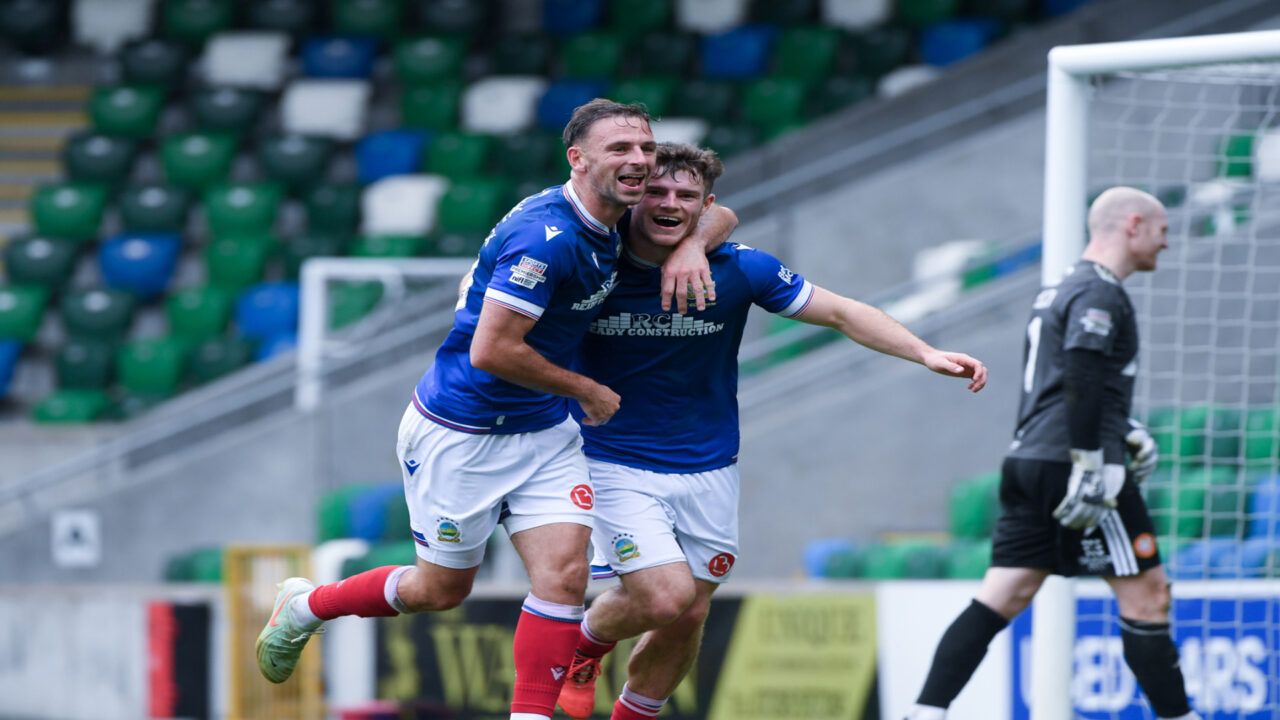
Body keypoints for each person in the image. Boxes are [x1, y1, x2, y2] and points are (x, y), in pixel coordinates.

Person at [253, 100, 734, 720]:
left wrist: (693, 244)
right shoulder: (544, 238)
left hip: (544, 434)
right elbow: (492, 350)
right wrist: (585, 389)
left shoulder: (615, 214)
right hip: (462, 432)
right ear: (578, 160)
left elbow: (719, 210)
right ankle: (308, 606)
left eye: (645, 147)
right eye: (621, 150)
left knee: (562, 579)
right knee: (440, 590)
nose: (639, 161)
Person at [554, 142, 989, 720]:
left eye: (686, 196)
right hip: (613, 461)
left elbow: (840, 312)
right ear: (633, 195)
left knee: (687, 615)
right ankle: (584, 649)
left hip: (710, 467)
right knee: (662, 596)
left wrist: (924, 351)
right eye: (656, 190)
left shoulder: (738, 268)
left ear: (704, 206)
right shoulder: (591, 261)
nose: (669, 203)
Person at [902, 187, 1200, 720]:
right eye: (1162, 230)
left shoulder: (1059, 288)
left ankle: (925, 713)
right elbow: (1082, 370)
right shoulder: (1101, 293)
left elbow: (1062, 379)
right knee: (1149, 595)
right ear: (1133, 225)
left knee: (1004, 594)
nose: (1167, 242)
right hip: (1078, 465)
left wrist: (1121, 424)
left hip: (1030, 459)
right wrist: (1092, 456)